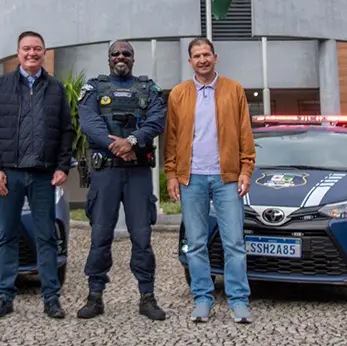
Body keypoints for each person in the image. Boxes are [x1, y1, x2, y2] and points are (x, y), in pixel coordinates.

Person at [0, 30, 74, 319]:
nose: (32, 53)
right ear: (17, 53)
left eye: (37, 49)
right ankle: (5, 297)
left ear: (44, 53)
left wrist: (61, 166)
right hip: (9, 175)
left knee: (46, 237)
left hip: (44, 175)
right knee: (7, 235)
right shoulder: (0, 86)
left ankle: (51, 298)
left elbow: (66, 132)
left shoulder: (56, 88)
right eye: (26, 49)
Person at [164, 37, 256, 324]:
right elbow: (172, 138)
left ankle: (239, 300)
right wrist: (171, 174)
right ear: (190, 61)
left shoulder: (234, 90)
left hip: (227, 177)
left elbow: (245, 133)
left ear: (215, 57)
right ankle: (202, 298)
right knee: (196, 242)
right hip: (191, 180)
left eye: (206, 54)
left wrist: (245, 169)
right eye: (196, 56)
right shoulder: (178, 94)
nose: (202, 60)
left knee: (234, 242)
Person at [75, 40, 167, 321]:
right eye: (115, 53)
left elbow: (157, 120)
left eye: (126, 53)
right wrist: (116, 145)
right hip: (106, 173)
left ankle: (147, 297)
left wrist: (132, 141)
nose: (120, 57)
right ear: (108, 58)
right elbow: (89, 122)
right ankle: (95, 297)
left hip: (138, 173)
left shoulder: (147, 88)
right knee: (100, 235)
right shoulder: (94, 87)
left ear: (133, 59)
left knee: (142, 236)